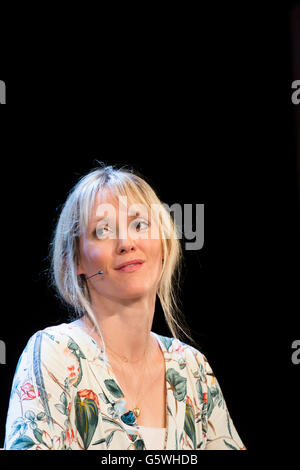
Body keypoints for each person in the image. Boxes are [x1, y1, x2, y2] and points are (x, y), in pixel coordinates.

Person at [4, 163, 246, 450]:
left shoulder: (193, 369)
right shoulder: (54, 353)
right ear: (76, 261)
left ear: (164, 244)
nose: (126, 243)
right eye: (103, 230)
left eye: (139, 225)